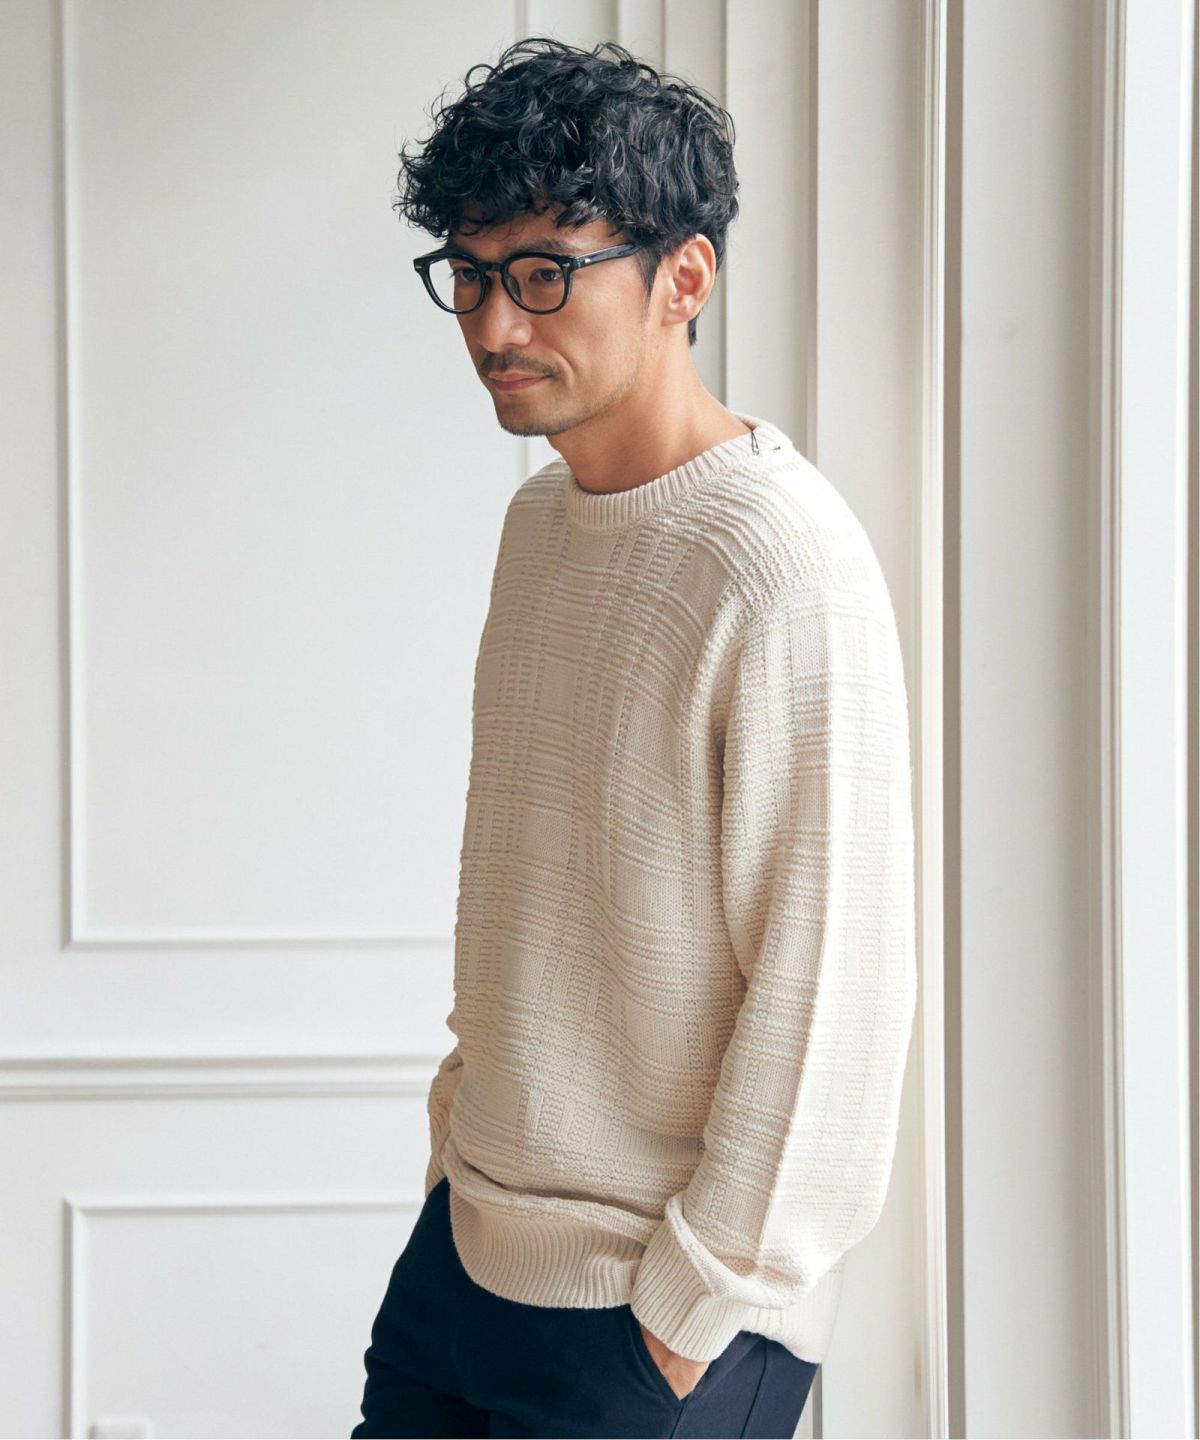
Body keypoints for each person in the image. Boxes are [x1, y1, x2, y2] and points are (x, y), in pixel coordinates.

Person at [351, 35, 917, 1440]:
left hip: (651, 1316)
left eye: (545, 272)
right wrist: (455, 1164)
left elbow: (835, 994)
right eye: (470, 274)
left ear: (684, 278)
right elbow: (526, 886)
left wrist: (690, 1313)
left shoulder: (780, 561)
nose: (495, 323)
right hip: (469, 1252)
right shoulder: (541, 524)